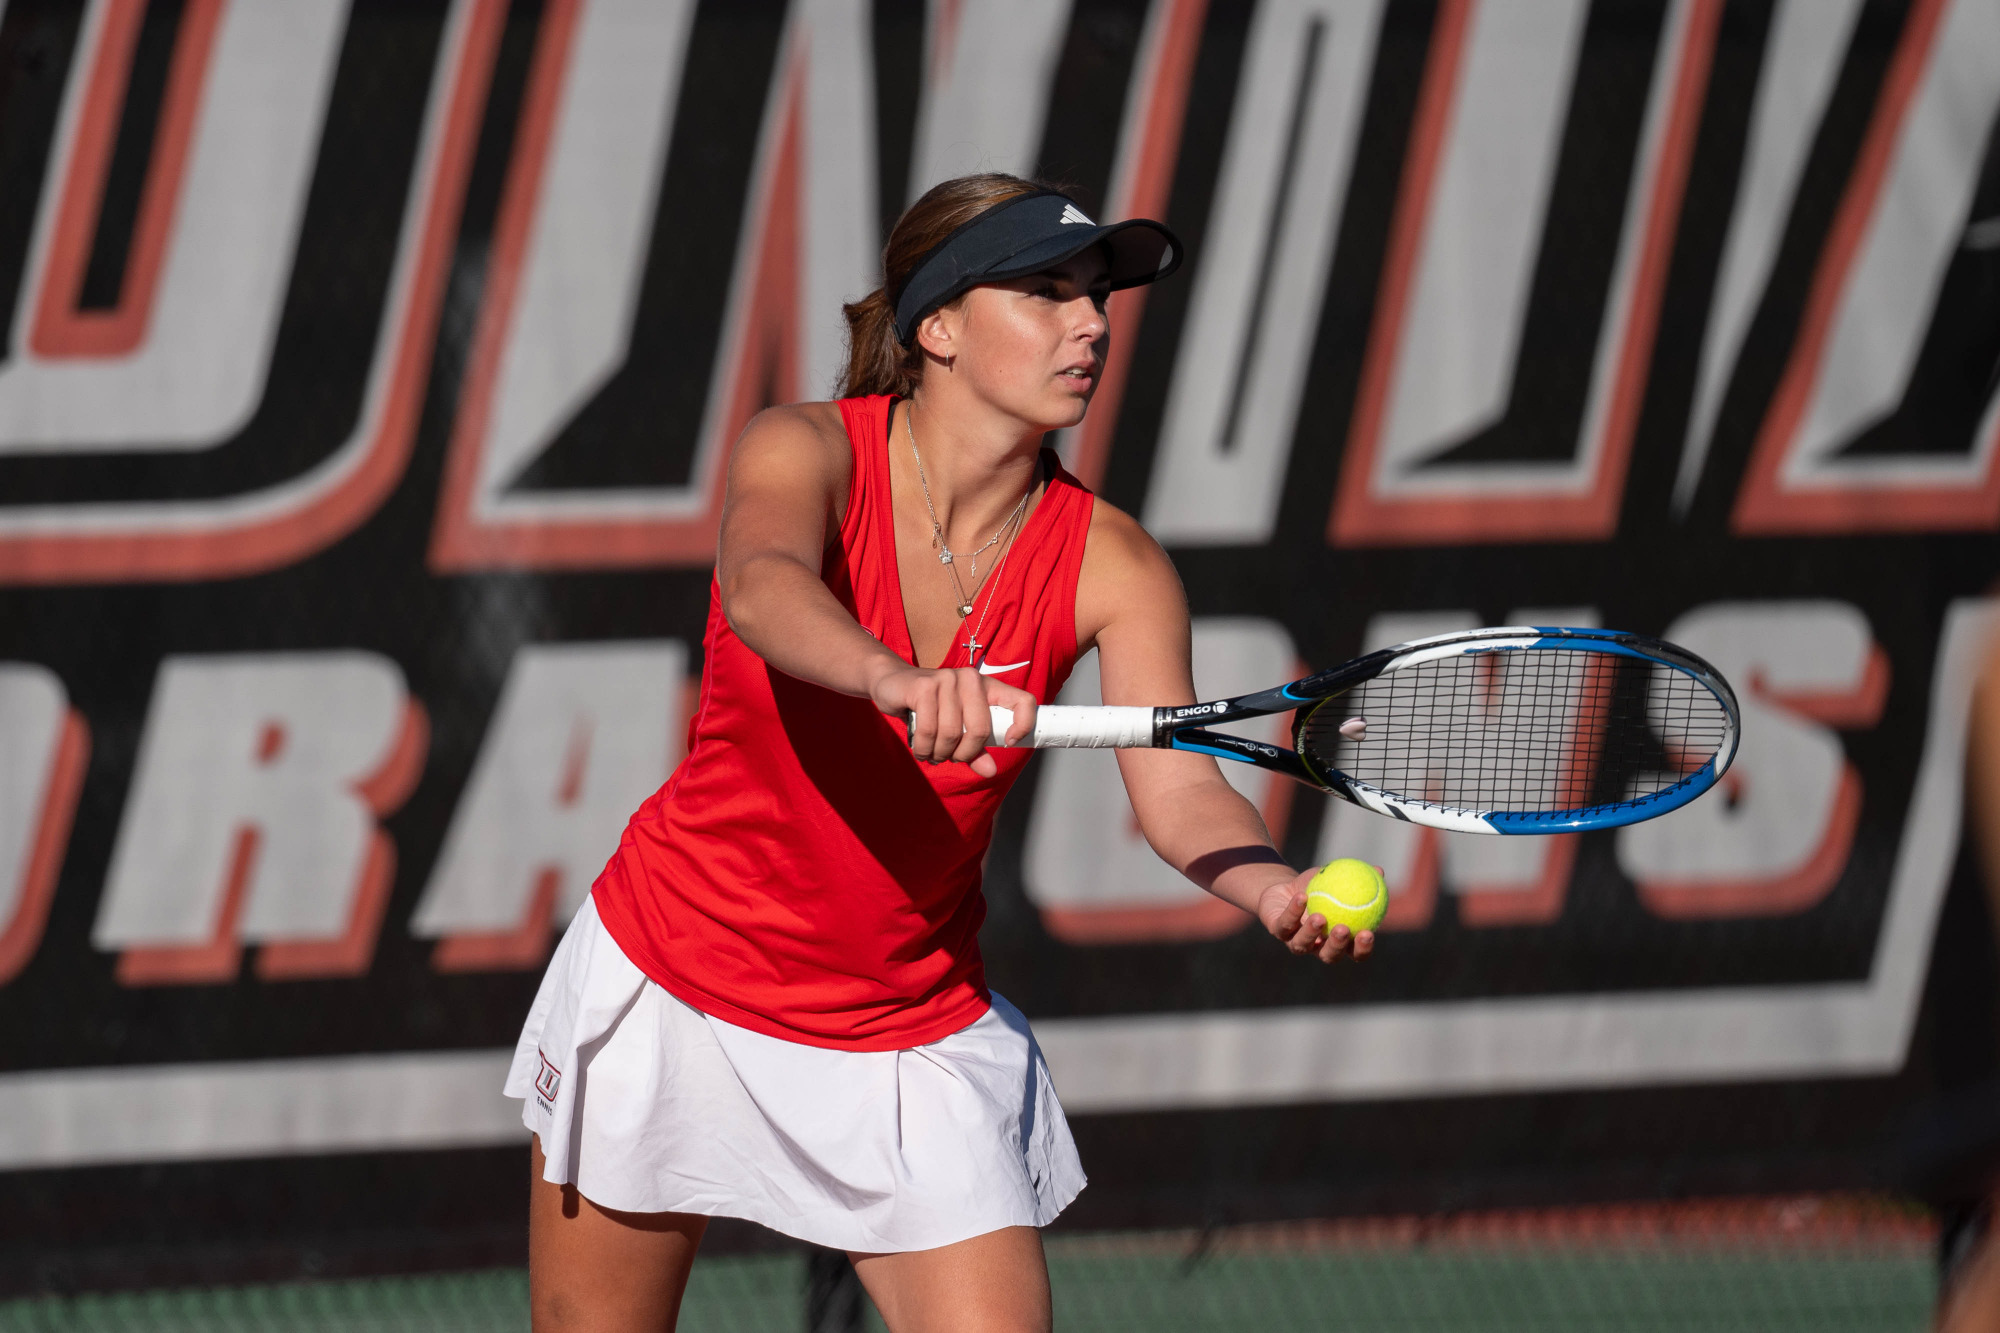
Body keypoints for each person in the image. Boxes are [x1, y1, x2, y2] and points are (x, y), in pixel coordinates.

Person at [507, 173, 1373, 1332]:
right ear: (939, 328)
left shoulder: (1112, 562)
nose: (1090, 323)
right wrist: (893, 678)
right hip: (674, 980)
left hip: (902, 1029)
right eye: (1046, 290)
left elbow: (1177, 790)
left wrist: (1268, 886)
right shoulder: (805, 449)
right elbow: (760, 584)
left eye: (1098, 296)